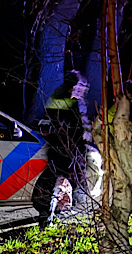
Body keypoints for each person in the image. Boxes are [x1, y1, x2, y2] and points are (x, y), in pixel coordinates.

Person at [33, 70, 97, 224]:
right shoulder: (72, 102)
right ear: (73, 86)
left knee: (56, 181)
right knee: (64, 183)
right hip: (68, 150)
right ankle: (51, 215)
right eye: (81, 85)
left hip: (59, 148)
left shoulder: (57, 98)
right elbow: (75, 128)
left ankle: (51, 212)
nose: (83, 89)